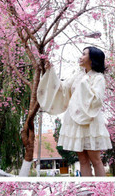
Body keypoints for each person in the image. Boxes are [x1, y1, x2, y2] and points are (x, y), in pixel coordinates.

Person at [37, 46, 111, 176]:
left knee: (96, 160)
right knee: (82, 160)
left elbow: (97, 99)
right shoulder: (78, 75)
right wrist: (51, 70)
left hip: (90, 120)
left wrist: (85, 85)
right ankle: (87, 186)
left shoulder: (98, 78)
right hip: (74, 120)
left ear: (92, 58)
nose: (80, 57)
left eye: (84, 54)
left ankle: (100, 186)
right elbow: (63, 88)